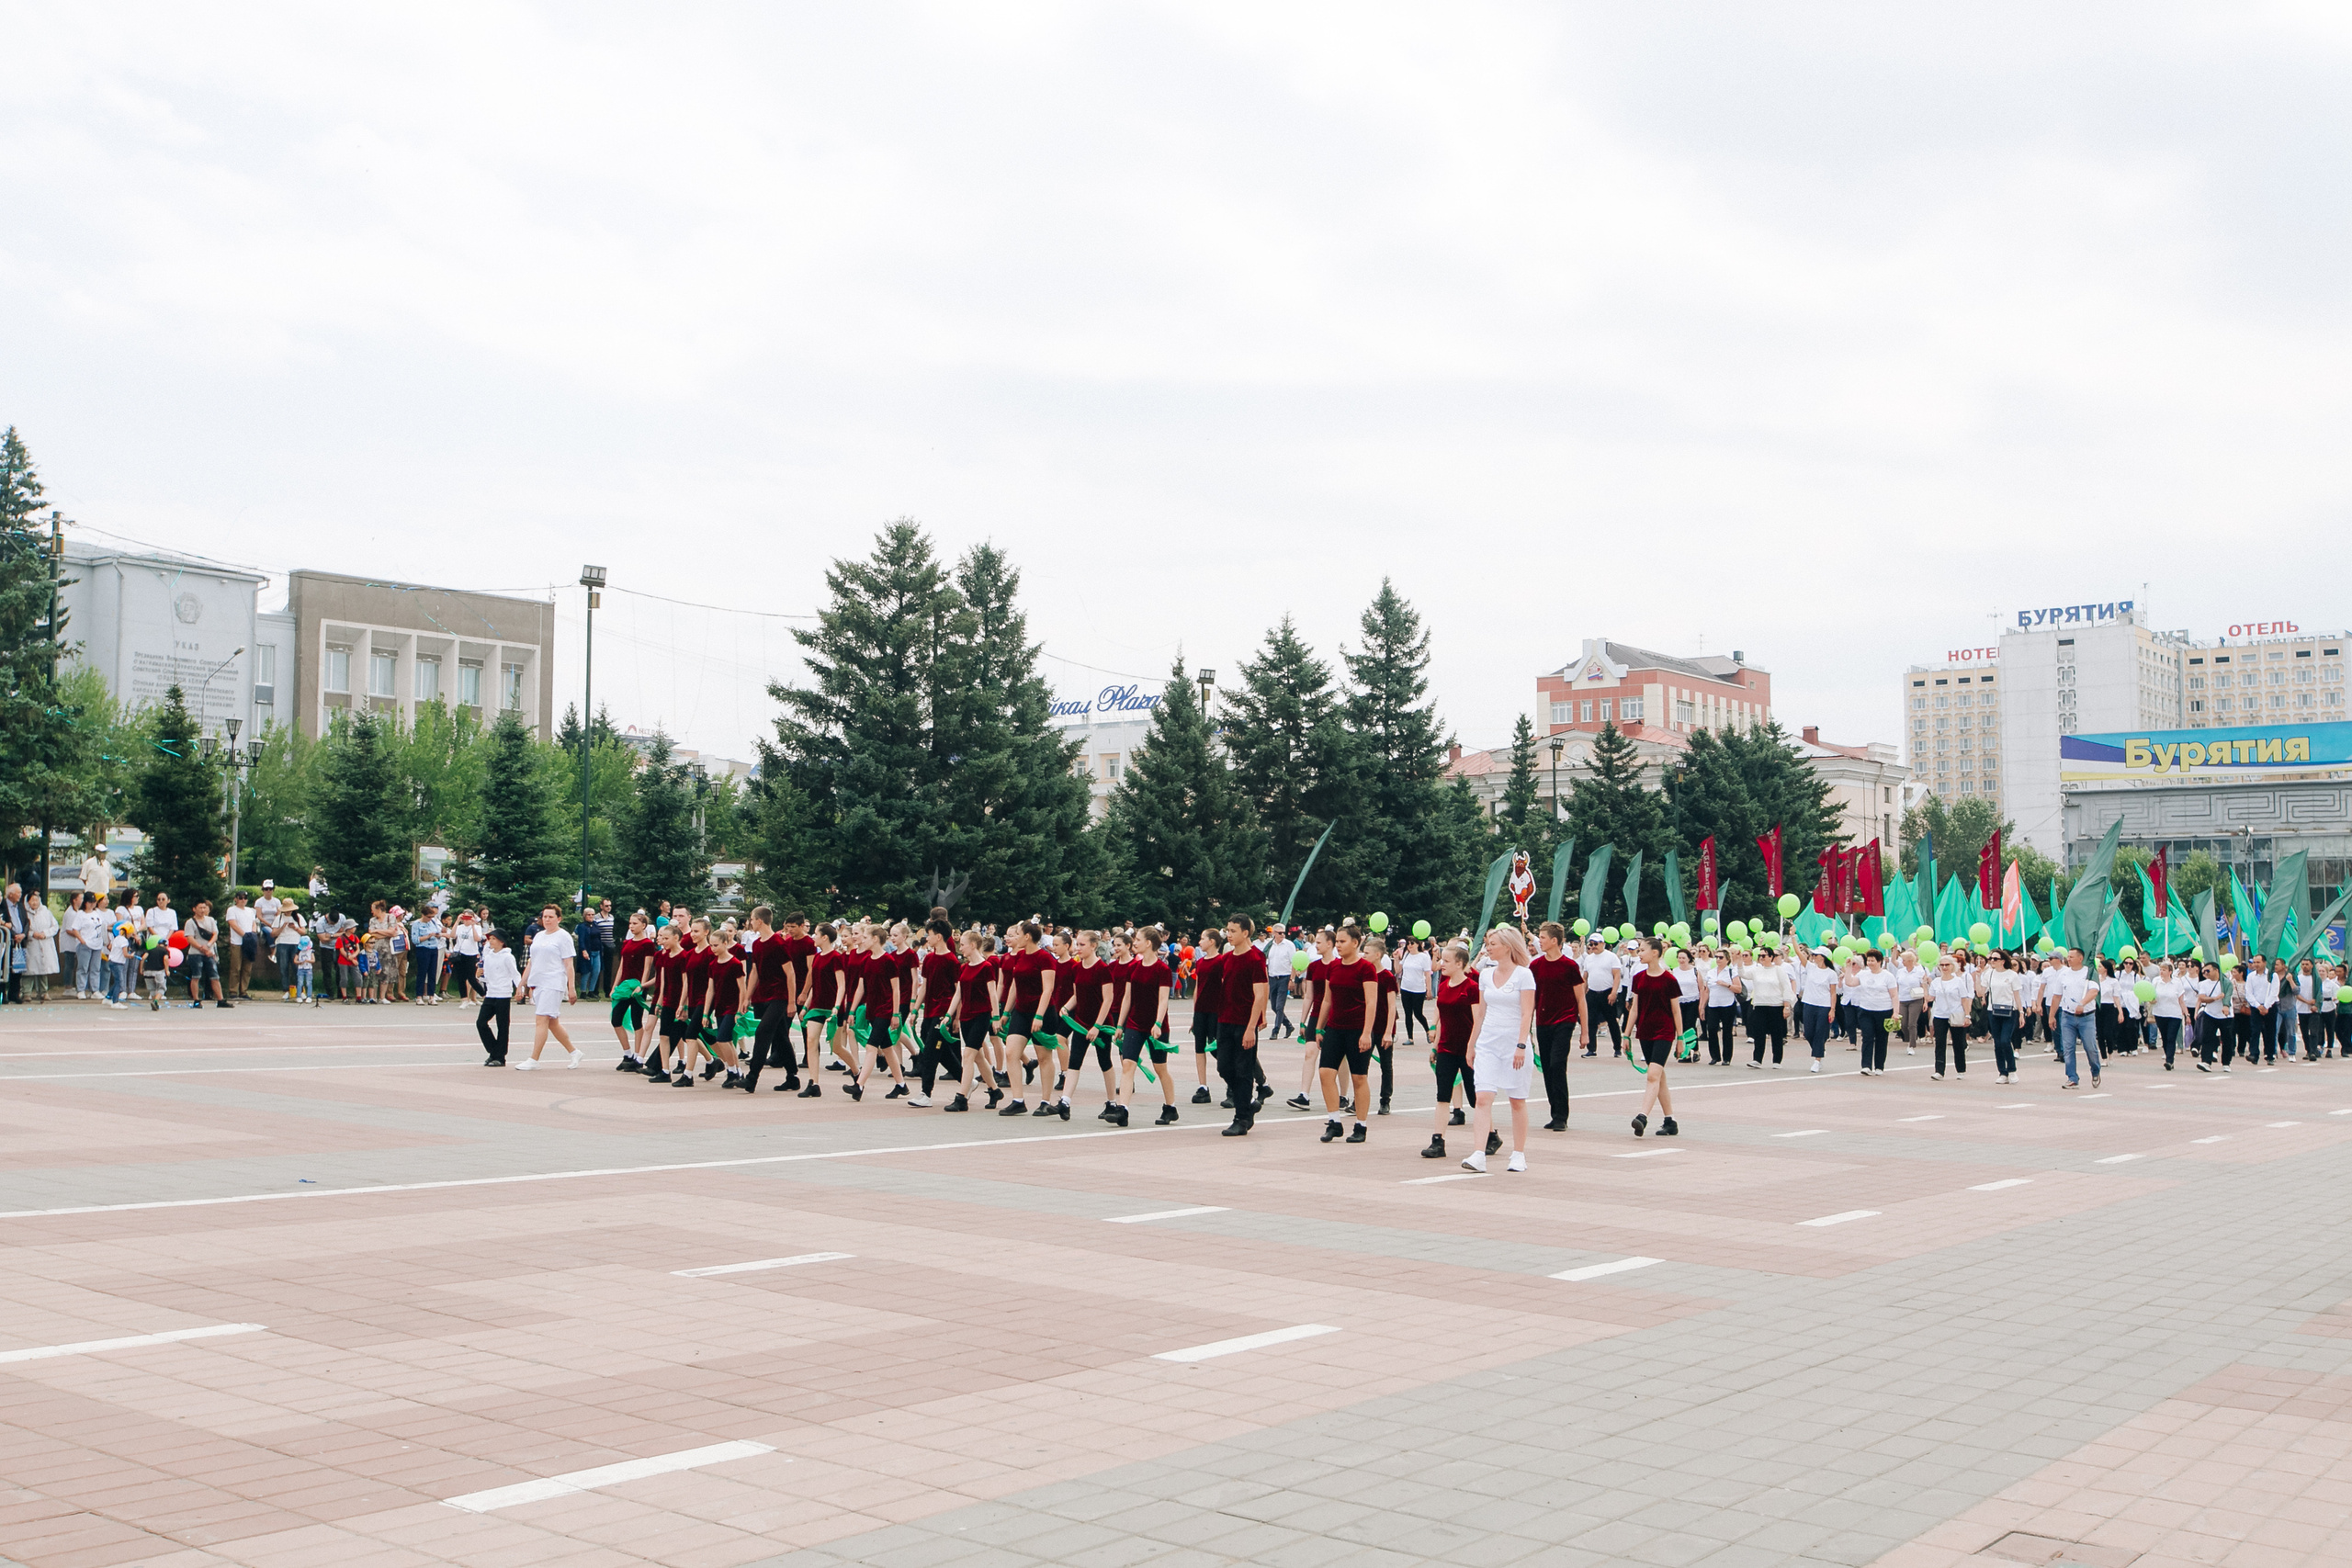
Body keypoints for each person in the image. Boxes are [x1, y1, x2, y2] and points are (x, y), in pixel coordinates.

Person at [1460, 926, 1537, 1173]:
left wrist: (1521, 1045)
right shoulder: (1485, 975)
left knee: (1516, 1100)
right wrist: (1472, 1045)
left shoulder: (1524, 975)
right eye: (1488, 943)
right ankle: (1478, 1154)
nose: (1488, 947)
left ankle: (1518, 1154)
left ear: (1507, 946)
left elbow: (1527, 1013)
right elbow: (1481, 1013)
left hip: (1515, 1044)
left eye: (1493, 943)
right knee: (1483, 1097)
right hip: (1488, 1044)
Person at [1311, 923, 1377, 1145]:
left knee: (1359, 1078)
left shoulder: (1366, 968)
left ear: (1356, 943)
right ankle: (1334, 1122)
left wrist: (1367, 1033)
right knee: (1325, 1073)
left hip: (1358, 1029)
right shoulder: (1334, 967)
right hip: (1335, 1028)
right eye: (1337, 942)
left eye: (1342, 941)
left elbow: (1371, 1002)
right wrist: (1320, 1027)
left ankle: (1361, 1125)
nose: (1338, 946)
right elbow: (1327, 999)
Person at [1421, 941, 1485, 1160]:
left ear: (1460, 964)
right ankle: (1437, 1141)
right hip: (1447, 1049)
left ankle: (1492, 1135)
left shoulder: (1472, 988)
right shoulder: (1443, 986)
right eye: (1441, 960)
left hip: (1468, 1050)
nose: (1441, 964)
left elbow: (1478, 1021)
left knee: (1476, 1097)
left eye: (1446, 961)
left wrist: (1472, 1047)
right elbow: (1442, 1019)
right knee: (1442, 1095)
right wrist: (1435, 1046)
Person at [1527, 922, 1587, 1131]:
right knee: (1547, 1069)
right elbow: (1531, 999)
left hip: (1565, 1020)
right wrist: (1527, 1026)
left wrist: (1585, 1032)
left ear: (1555, 941)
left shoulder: (1570, 966)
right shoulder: (1535, 966)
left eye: (1542, 937)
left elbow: (1581, 999)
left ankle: (1562, 1115)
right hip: (1543, 1022)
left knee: (1557, 1064)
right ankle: (1554, 1112)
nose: (1538, 941)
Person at [1116, 926, 1178, 1124]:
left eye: (1137, 940)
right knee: (1128, 1064)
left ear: (1149, 943)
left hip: (1156, 1026)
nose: (1134, 943)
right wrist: (1119, 1025)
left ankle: (1170, 1107)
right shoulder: (1133, 968)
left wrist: (1158, 1023)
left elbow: (1163, 1000)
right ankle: (1122, 1110)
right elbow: (1127, 998)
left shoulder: (1162, 969)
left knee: (1160, 1068)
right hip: (1134, 1023)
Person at [1216, 915, 1270, 1135]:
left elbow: (1260, 994)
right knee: (1223, 1067)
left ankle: (1241, 1118)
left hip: (1244, 1022)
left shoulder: (1255, 958)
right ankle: (1247, 1103)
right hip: (1225, 1020)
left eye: (1233, 931)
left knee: (1243, 1071)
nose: (1229, 934)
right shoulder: (1227, 958)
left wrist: (1252, 1027)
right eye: (1227, 930)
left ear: (1245, 933)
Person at [1626, 937, 1682, 1136]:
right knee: (1659, 1077)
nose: (1639, 953)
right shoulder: (1639, 978)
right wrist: (1626, 1035)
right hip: (1645, 1031)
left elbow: (1676, 1011)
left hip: (1665, 1032)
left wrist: (1681, 1039)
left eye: (1642, 950)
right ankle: (1670, 1120)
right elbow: (1634, 1009)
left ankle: (1642, 1116)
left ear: (1655, 953)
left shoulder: (1669, 979)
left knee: (1652, 1075)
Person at [514, 906, 582, 1069]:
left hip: (553, 982)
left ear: (559, 918)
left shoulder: (563, 937)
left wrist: (571, 987)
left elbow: (568, 964)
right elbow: (532, 962)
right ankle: (574, 1052)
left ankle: (534, 1059)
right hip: (539, 983)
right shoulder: (538, 936)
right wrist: (522, 984)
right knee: (552, 1023)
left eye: (551, 917)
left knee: (541, 1020)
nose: (547, 920)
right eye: (545, 917)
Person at [2049, 947, 2100, 1089]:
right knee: (2068, 1048)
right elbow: (2057, 996)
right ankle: (2072, 1077)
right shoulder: (2064, 974)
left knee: (2090, 1047)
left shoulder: (2089, 973)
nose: (2068, 959)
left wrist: (2082, 1003)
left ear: (2080, 958)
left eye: (2071, 957)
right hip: (2067, 1016)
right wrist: (2051, 1016)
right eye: (2068, 956)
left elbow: (2094, 991)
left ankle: (2095, 1070)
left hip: (2086, 1017)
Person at [1737, 945, 1792, 1067]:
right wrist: (1739, 961)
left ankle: (1777, 1061)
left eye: (1764, 955)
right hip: (1760, 1005)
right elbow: (1743, 974)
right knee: (1759, 1033)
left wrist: (1786, 1005)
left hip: (1775, 1005)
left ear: (1771, 957)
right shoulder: (1756, 970)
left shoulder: (1778, 970)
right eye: (1760, 955)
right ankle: (1757, 1059)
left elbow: (1786, 988)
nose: (1761, 958)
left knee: (1776, 1034)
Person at [476, 931, 518, 1065]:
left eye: (494, 939)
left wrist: (520, 990)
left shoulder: (508, 957)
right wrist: (478, 975)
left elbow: (515, 974)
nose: (491, 941)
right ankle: (494, 1051)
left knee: (503, 1025)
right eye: (490, 939)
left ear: (501, 941)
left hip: (503, 994)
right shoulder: (488, 956)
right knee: (481, 1022)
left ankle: (500, 1057)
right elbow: (487, 976)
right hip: (491, 994)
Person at [183, 899, 231, 1010]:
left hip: (210, 953)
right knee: (196, 976)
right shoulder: (190, 922)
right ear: (194, 909)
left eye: (204, 908)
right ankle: (196, 1000)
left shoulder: (211, 920)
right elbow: (190, 938)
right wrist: (202, 948)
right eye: (200, 908)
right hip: (195, 953)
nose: (203, 910)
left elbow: (215, 934)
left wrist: (208, 946)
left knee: (214, 976)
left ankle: (220, 1000)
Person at [1581, 935, 1623, 1056]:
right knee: (1591, 1021)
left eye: (1596, 944)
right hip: (1592, 992)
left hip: (1607, 992)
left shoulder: (1611, 957)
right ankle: (1591, 1049)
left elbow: (1617, 975)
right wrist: (1583, 994)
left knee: (1612, 1021)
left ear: (1603, 943)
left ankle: (1617, 1048)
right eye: (1591, 944)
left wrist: (1614, 992)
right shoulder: (1589, 959)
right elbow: (1585, 977)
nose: (1593, 947)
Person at [1798, 949, 1837, 1072]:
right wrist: (1793, 937)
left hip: (1824, 1006)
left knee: (1820, 1032)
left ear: (1823, 957)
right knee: (1808, 1033)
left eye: (1816, 955)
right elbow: (1799, 954)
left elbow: (1833, 993)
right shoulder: (1810, 967)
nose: (1813, 956)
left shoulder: (1831, 973)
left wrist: (1832, 1009)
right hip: (1809, 1003)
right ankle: (1819, 1049)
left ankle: (1817, 1060)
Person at [1396, 936, 1431, 1047]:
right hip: (1406, 987)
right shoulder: (1406, 955)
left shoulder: (1423, 957)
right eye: (1408, 944)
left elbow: (1427, 974)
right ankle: (1410, 1038)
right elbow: (1398, 970)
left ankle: (1427, 1031)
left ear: (1417, 944)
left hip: (1418, 989)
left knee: (1418, 1013)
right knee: (1407, 1013)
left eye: (1412, 943)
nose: (1410, 945)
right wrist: (1396, 959)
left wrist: (1428, 989)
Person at [1263, 925, 1296, 1039]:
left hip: (1284, 977)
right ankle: (1288, 1025)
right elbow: (1266, 962)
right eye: (1280, 933)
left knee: (1279, 1006)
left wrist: (1291, 979)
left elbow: (1294, 963)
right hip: (1273, 977)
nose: (1283, 935)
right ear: (1274, 933)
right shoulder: (1269, 945)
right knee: (1273, 1006)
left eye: (1284, 933)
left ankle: (1275, 1030)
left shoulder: (1289, 945)